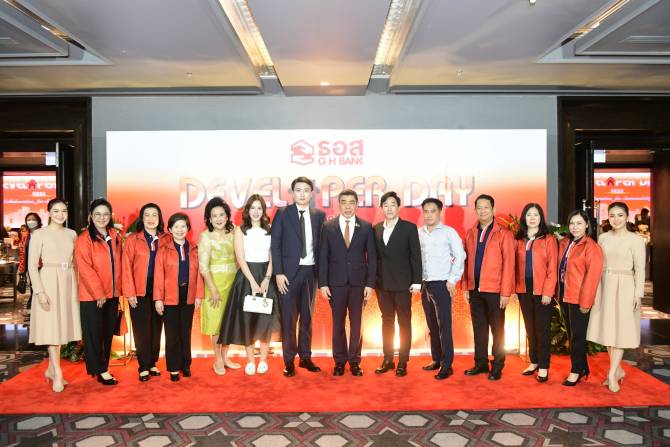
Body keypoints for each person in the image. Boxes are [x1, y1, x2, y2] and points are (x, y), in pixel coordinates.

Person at [587, 202, 645, 393]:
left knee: (620, 330)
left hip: (625, 286)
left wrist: (638, 294)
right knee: (609, 329)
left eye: (620, 215)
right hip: (605, 285)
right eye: (612, 215)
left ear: (627, 217)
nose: (616, 219)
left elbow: (640, 270)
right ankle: (618, 370)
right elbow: (597, 264)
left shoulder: (636, 240)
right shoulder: (603, 238)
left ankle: (612, 374)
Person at [219, 195, 280, 375]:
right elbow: (240, 258)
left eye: (259, 208)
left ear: (263, 211)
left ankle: (263, 360)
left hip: (266, 275)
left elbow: (273, 256)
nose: (256, 212)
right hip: (247, 277)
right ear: (247, 210)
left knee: (265, 319)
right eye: (253, 208)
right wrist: (253, 281)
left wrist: (267, 278)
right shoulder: (240, 230)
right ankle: (251, 361)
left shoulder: (270, 229)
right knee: (248, 319)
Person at [271, 177, 325, 377]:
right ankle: (289, 360)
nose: (302, 194)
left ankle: (305, 357)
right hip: (288, 275)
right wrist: (278, 273)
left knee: (307, 318)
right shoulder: (282, 214)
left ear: (311, 193)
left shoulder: (319, 215)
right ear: (292, 193)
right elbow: (275, 245)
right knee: (289, 319)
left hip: (311, 272)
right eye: (298, 190)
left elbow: (322, 247)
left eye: (306, 190)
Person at [319, 189, 377, 377]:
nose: (347, 206)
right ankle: (339, 361)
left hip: (359, 284)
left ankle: (354, 361)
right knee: (338, 324)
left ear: (357, 205)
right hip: (335, 284)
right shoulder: (328, 227)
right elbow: (323, 257)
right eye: (344, 202)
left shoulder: (366, 227)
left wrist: (370, 284)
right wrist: (323, 283)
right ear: (339, 204)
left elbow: (372, 258)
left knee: (357, 324)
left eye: (351, 202)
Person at [28, 199, 81, 392]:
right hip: (48, 281)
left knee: (61, 328)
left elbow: (76, 262)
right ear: (49, 213)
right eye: (56, 211)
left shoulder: (72, 234)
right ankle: (57, 373)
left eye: (64, 211)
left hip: (68, 282)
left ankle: (51, 370)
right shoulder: (39, 234)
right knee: (52, 328)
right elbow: (32, 266)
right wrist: (39, 292)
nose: (60, 214)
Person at [461, 194, 515, 381]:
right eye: (479, 208)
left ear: (493, 209)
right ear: (475, 210)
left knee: (497, 330)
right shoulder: (470, 233)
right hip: (475, 289)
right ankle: (481, 363)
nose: (482, 211)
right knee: (479, 328)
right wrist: (466, 286)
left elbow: (509, 264)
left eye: (486, 207)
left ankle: (497, 365)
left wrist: (505, 292)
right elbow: (465, 262)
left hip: (495, 291)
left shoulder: (504, 234)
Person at [373, 191, 422, 377]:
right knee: (386, 321)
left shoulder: (409, 228)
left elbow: (416, 257)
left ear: (398, 207)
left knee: (404, 322)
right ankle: (387, 359)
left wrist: (417, 281)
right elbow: (374, 258)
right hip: (382, 285)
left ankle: (403, 361)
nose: (389, 208)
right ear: (382, 208)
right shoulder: (376, 229)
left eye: (392, 204)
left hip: (403, 285)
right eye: (385, 205)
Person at [74, 198, 123, 386]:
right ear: (90, 216)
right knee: (94, 334)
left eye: (105, 214)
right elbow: (85, 268)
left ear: (110, 216)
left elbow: (118, 264)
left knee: (107, 333)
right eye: (97, 214)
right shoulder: (84, 239)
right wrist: (98, 293)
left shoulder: (114, 235)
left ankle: (104, 368)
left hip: (112, 294)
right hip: (92, 296)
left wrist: (119, 290)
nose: (102, 218)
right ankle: (100, 370)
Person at [418, 198, 466, 380]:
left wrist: (452, 279)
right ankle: (436, 359)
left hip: (442, 284)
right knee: (432, 324)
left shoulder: (448, 232)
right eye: (426, 211)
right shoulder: (419, 233)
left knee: (444, 326)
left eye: (433, 211)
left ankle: (447, 365)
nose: (429, 215)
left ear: (439, 212)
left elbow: (460, 255)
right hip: (425, 284)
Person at [122, 203, 169, 381]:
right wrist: (130, 292)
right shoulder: (133, 239)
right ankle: (143, 365)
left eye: (154, 215)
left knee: (157, 327)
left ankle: (152, 363)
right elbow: (126, 267)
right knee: (141, 328)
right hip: (139, 289)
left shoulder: (167, 238)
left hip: (161, 290)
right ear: (142, 219)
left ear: (159, 218)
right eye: (147, 215)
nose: (151, 219)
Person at [154, 213, 204, 382]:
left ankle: (186, 365)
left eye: (183, 226)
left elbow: (199, 274)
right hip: (170, 297)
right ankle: (174, 368)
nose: (180, 230)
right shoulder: (163, 250)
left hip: (188, 295)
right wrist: (158, 299)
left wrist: (199, 295)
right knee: (172, 334)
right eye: (176, 226)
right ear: (170, 229)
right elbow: (159, 276)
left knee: (186, 331)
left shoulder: (194, 249)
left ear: (188, 228)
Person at [557, 209, 603, 386]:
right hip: (564, 294)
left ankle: (576, 370)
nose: (575, 227)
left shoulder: (591, 247)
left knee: (577, 336)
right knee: (571, 333)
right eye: (572, 223)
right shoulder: (566, 243)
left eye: (579, 223)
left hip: (579, 297)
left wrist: (586, 302)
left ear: (586, 225)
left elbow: (593, 278)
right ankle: (582, 367)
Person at [513, 203, 557, 383]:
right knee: (530, 328)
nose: (532, 218)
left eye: (536, 215)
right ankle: (534, 361)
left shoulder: (548, 239)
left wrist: (548, 292)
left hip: (542, 290)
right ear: (524, 218)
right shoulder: (518, 239)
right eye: (529, 214)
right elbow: (513, 266)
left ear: (541, 218)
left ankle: (544, 366)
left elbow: (552, 268)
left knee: (542, 330)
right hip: (524, 289)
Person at [198, 197, 240, 375]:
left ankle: (225, 356)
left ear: (227, 216)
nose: (218, 219)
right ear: (209, 218)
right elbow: (203, 267)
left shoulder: (235, 232)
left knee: (229, 322)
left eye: (221, 215)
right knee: (216, 324)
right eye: (214, 216)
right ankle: (218, 359)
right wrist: (213, 289)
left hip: (233, 284)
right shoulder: (205, 236)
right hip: (214, 285)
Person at [18, 212, 43, 313]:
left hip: (42, 266)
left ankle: (34, 306)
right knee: (33, 287)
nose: (31, 221)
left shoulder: (43, 234)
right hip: (30, 266)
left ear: (38, 221)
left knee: (42, 287)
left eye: (33, 219)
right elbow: (22, 253)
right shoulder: (26, 236)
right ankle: (34, 307)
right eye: (28, 220)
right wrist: (22, 269)